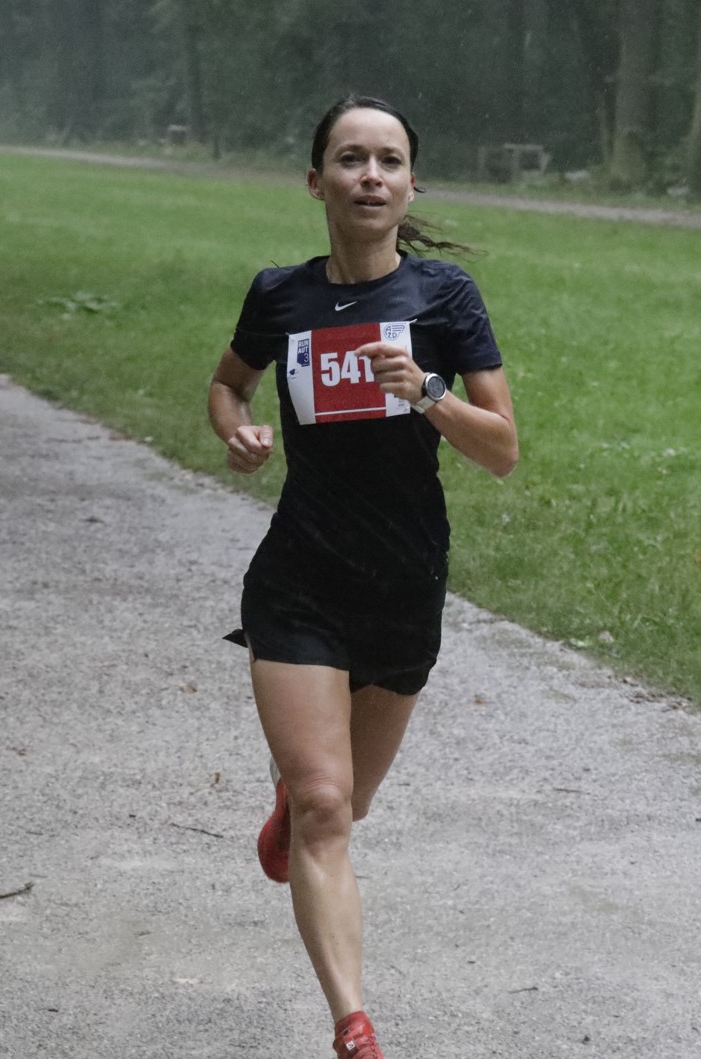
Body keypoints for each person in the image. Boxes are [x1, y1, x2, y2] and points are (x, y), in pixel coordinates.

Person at [208, 95, 519, 1059]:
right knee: (325, 804)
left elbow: (502, 448)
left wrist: (428, 393)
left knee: (348, 803)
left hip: (403, 580)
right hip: (299, 575)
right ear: (318, 181)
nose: (370, 175)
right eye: (351, 159)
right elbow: (228, 384)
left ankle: (295, 806)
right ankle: (354, 1024)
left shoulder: (445, 298)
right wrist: (238, 431)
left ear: (411, 184)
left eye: (388, 160)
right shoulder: (280, 296)